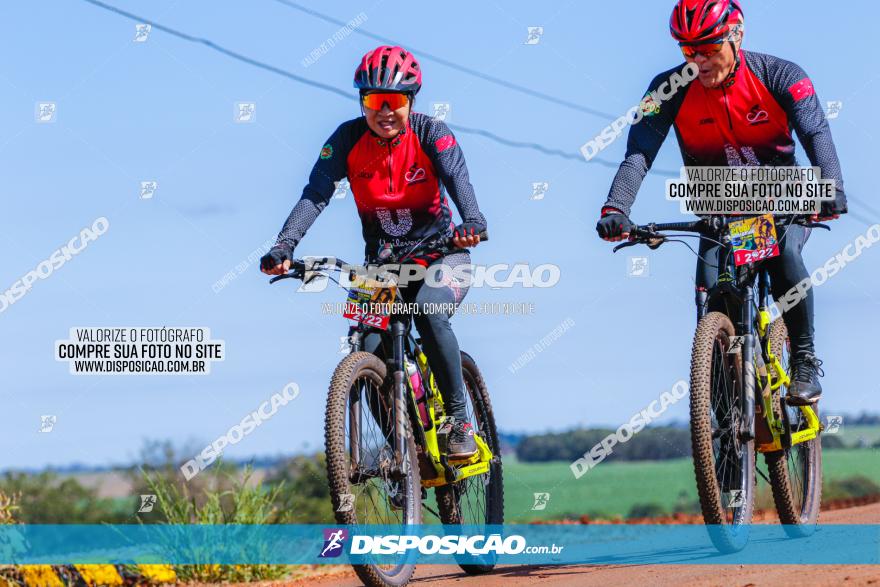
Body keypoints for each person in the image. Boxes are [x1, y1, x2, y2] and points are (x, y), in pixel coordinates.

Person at [595, 0, 847, 405]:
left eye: (710, 49)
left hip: (782, 197)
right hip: (718, 207)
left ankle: (803, 361)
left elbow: (816, 133)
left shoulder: (780, 75)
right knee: (713, 298)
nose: (699, 61)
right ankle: (725, 419)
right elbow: (639, 152)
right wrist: (616, 209)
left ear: (737, 35)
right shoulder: (666, 90)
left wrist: (830, 186)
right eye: (688, 51)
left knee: (782, 259)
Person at [260, 45, 487, 457]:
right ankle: (407, 456)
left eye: (394, 101)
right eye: (373, 100)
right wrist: (285, 244)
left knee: (431, 314)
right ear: (361, 101)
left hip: (443, 256)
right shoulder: (347, 139)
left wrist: (472, 220)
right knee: (366, 348)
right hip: (381, 269)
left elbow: (458, 179)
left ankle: (458, 418)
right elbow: (315, 194)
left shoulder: (431, 132)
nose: (384, 110)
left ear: (411, 101)